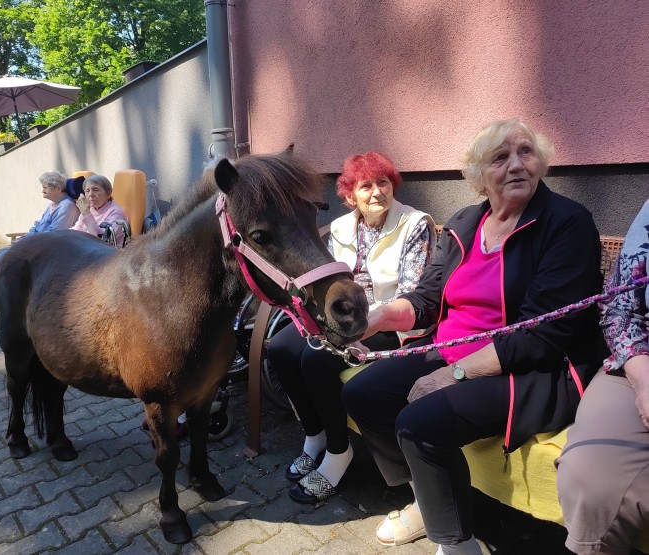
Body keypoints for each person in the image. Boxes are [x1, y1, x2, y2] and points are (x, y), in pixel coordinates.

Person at [341, 118, 607, 553]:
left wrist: (456, 374)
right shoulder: (465, 223)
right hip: (453, 350)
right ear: (479, 176)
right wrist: (373, 318)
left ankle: (457, 544)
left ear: (541, 163)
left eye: (526, 152)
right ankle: (426, 502)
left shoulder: (566, 223)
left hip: (535, 369)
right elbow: (426, 300)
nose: (517, 165)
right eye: (501, 157)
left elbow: (544, 334)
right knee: (364, 394)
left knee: (418, 423)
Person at [268, 151, 435, 504]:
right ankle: (315, 436)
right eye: (366, 185)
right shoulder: (342, 227)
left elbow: (413, 292)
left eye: (384, 182)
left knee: (317, 361)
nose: (377, 192)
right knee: (281, 348)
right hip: (343, 320)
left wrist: (363, 325)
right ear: (349, 195)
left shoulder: (414, 224)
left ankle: (338, 453)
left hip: (392, 323)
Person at [556, 199, 649, 554]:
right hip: (640, 357)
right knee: (589, 475)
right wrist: (643, 380)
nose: (515, 167)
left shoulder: (568, 221)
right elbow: (619, 304)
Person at [0, 171, 79, 318]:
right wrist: (23, 239)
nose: (42, 190)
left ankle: (0, 302)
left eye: (45, 187)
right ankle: (1, 299)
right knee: (0, 253)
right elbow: (37, 225)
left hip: (51, 248)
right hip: (38, 243)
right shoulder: (52, 204)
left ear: (57, 188)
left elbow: (55, 234)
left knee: (5, 257)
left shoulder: (66, 207)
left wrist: (26, 244)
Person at [71, 174, 127, 246]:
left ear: (108, 193)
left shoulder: (115, 212)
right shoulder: (90, 209)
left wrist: (86, 213)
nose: (90, 194)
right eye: (87, 191)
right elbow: (77, 229)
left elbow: (101, 242)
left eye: (96, 190)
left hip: (109, 254)